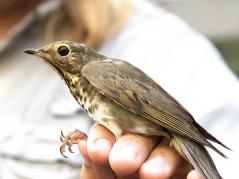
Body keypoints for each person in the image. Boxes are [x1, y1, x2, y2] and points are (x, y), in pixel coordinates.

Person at [0, 0, 238, 179]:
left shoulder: (100, 67)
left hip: (170, 127)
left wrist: (189, 134)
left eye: (62, 51)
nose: (49, 55)